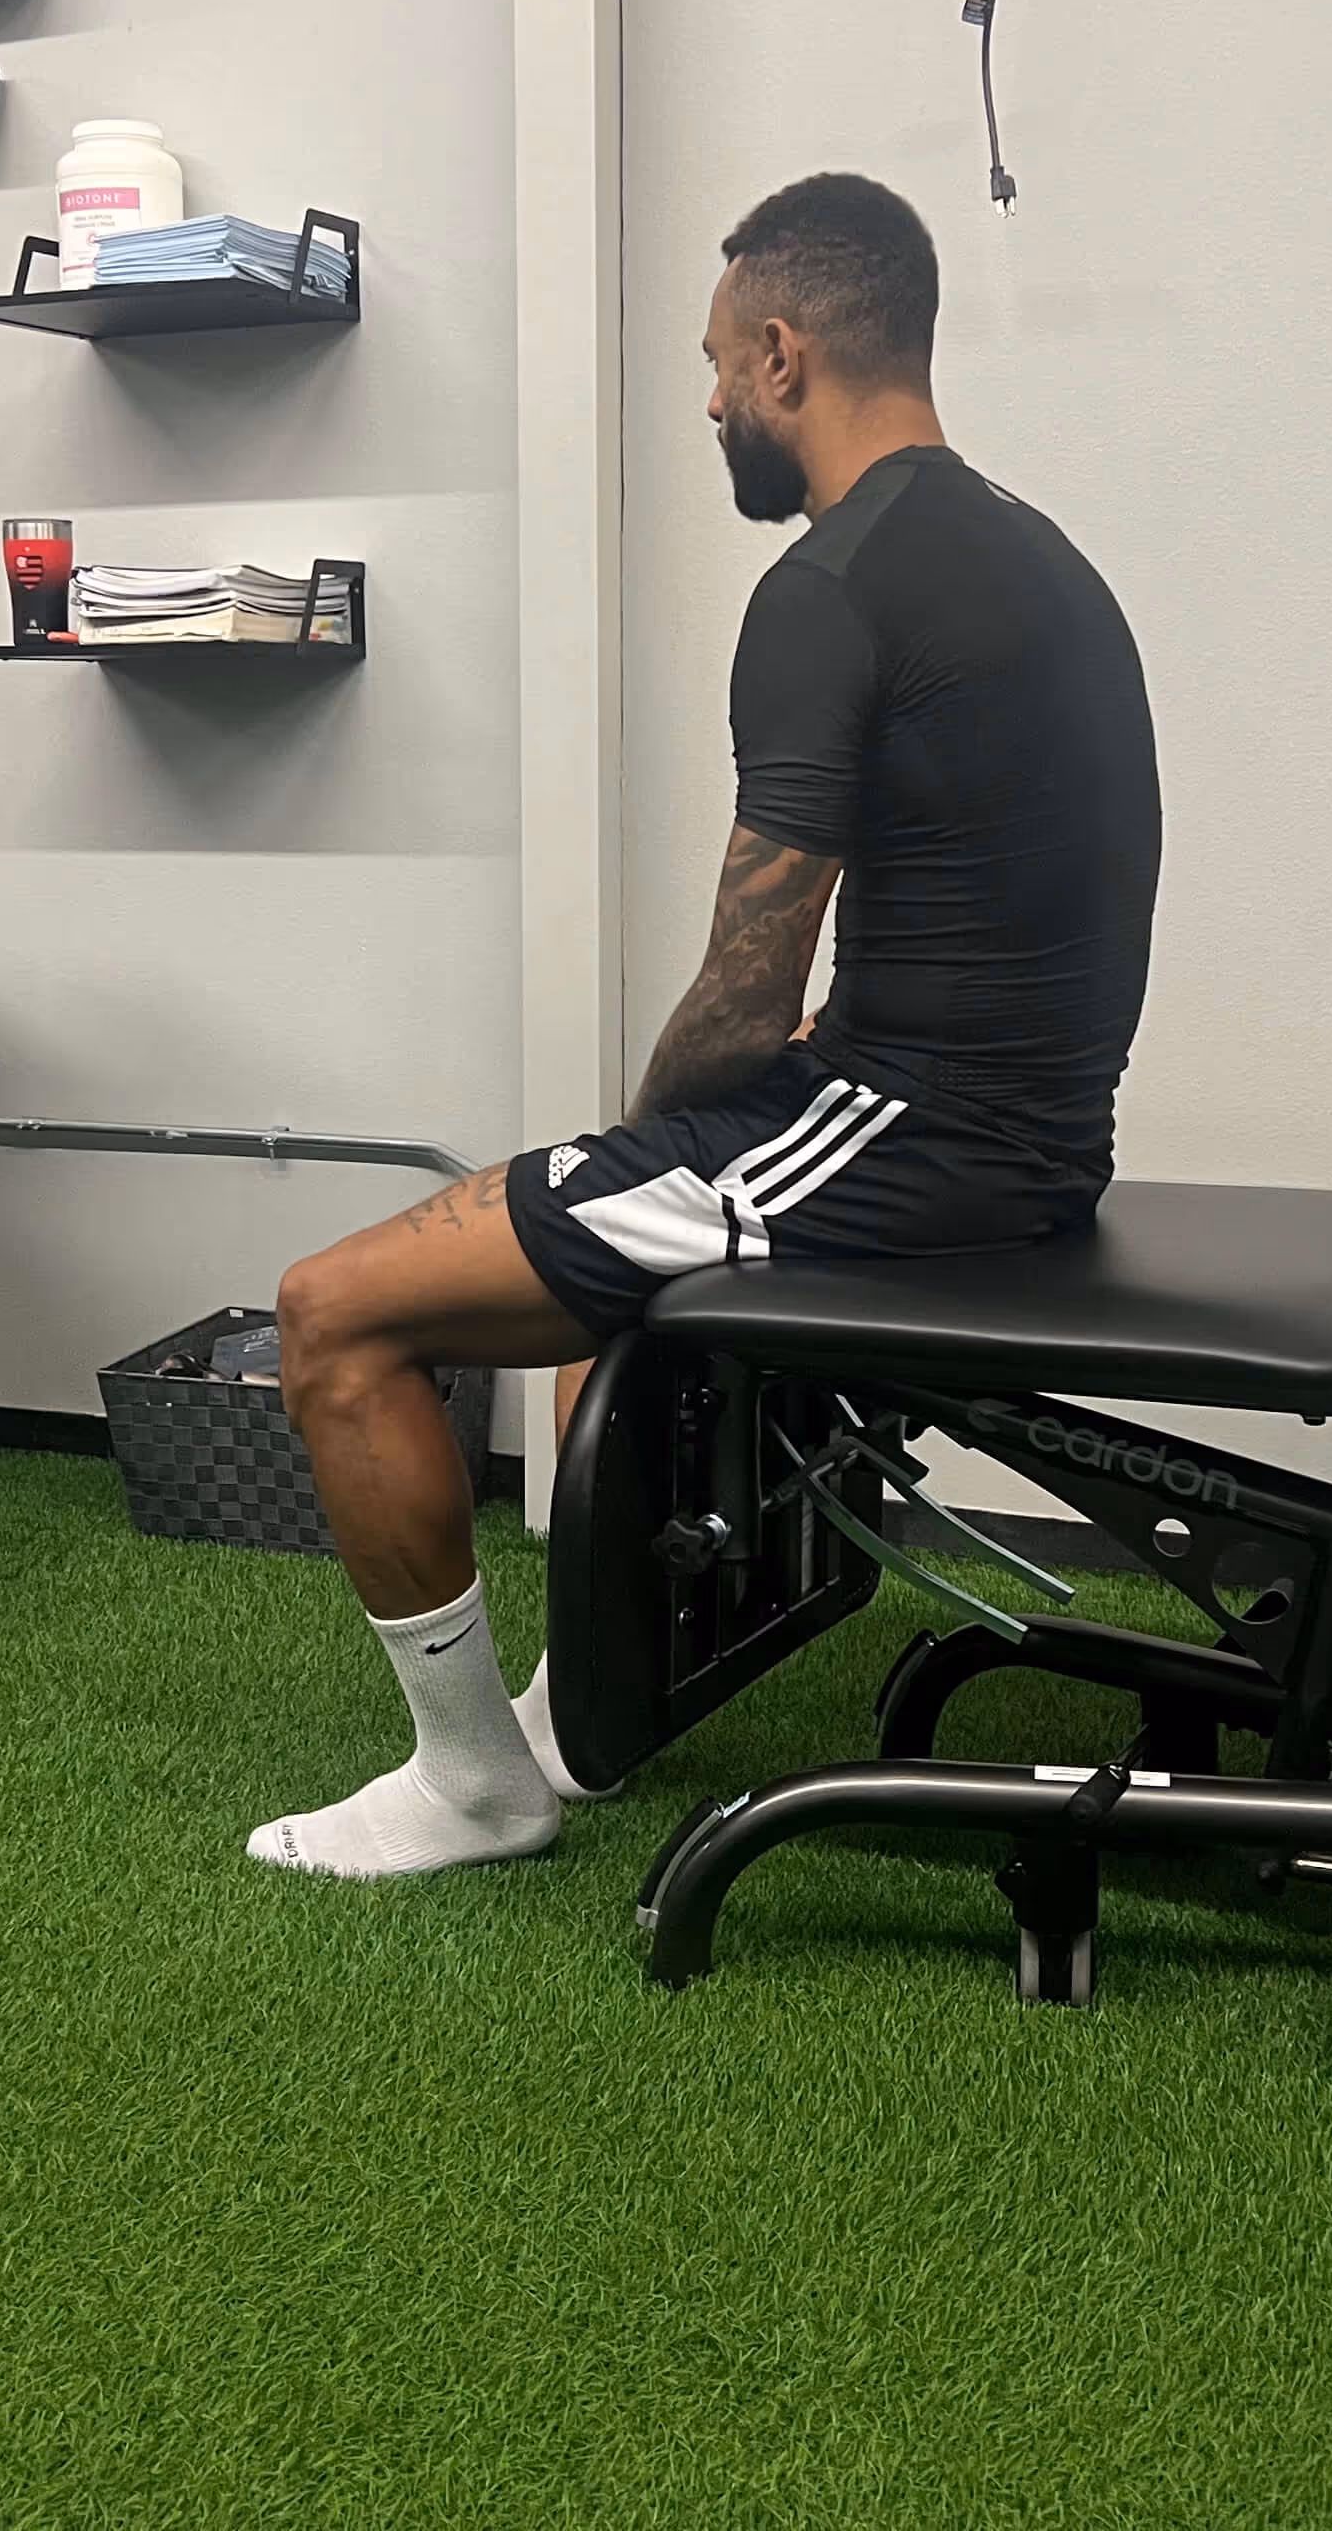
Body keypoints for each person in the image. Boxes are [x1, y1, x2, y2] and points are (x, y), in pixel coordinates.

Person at [253, 173, 1164, 1877]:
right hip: (1020, 1136)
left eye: (716, 365)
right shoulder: (1037, 555)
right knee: (605, 1238)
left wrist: (647, 1133)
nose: (711, 402)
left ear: (783, 353)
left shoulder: (833, 584)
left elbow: (749, 979)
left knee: (332, 1314)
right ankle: (585, 1704)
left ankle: (475, 1786)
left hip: (926, 1154)